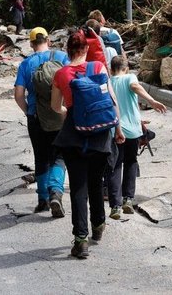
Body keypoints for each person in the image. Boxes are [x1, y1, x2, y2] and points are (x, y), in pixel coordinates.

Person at [51, 30, 125, 259]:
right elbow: (112, 101)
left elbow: (55, 106)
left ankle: (80, 239)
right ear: (86, 49)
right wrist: (118, 130)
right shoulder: (98, 68)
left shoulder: (61, 74)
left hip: (73, 135)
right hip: (100, 135)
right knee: (96, 183)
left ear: (67, 50)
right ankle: (99, 225)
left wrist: (67, 113)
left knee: (78, 188)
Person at [14, 27, 70, 216]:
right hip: (60, 116)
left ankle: (43, 200)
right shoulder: (62, 58)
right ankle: (56, 192)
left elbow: (19, 94)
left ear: (31, 44)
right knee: (60, 156)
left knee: (41, 157)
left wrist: (29, 111)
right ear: (49, 40)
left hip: (36, 117)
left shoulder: (26, 64)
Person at [107, 55, 167, 219]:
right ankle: (127, 199)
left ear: (111, 70)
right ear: (126, 68)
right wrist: (152, 101)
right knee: (131, 162)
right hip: (132, 130)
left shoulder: (108, 82)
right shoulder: (130, 77)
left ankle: (115, 207)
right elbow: (135, 87)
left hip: (114, 130)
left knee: (115, 166)